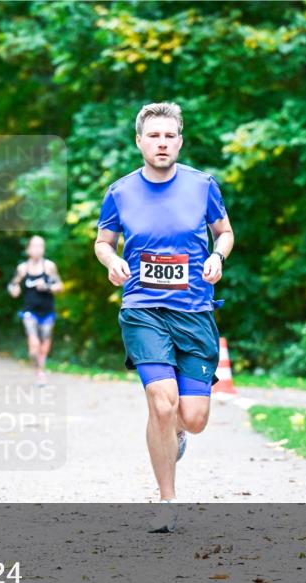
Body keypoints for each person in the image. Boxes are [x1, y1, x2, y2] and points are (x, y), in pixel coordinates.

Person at [93, 102, 235, 533]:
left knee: (192, 417)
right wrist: (111, 260)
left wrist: (217, 255)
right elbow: (102, 242)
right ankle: (167, 501)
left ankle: (176, 433)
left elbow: (225, 232)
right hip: (142, 309)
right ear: (139, 141)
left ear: (180, 140)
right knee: (161, 401)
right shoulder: (120, 192)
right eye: (153, 136)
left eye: (169, 135)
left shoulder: (202, 185)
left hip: (194, 311)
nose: (162, 143)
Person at [7, 235, 63, 385]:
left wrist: (48, 287)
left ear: (43, 249)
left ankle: (40, 370)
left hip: (47, 311)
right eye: (34, 246)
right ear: (28, 249)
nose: (37, 249)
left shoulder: (49, 266)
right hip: (29, 311)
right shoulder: (23, 268)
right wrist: (14, 289)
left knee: (44, 344)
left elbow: (60, 286)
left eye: (40, 246)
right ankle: (38, 372)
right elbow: (13, 284)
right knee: (34, 344)